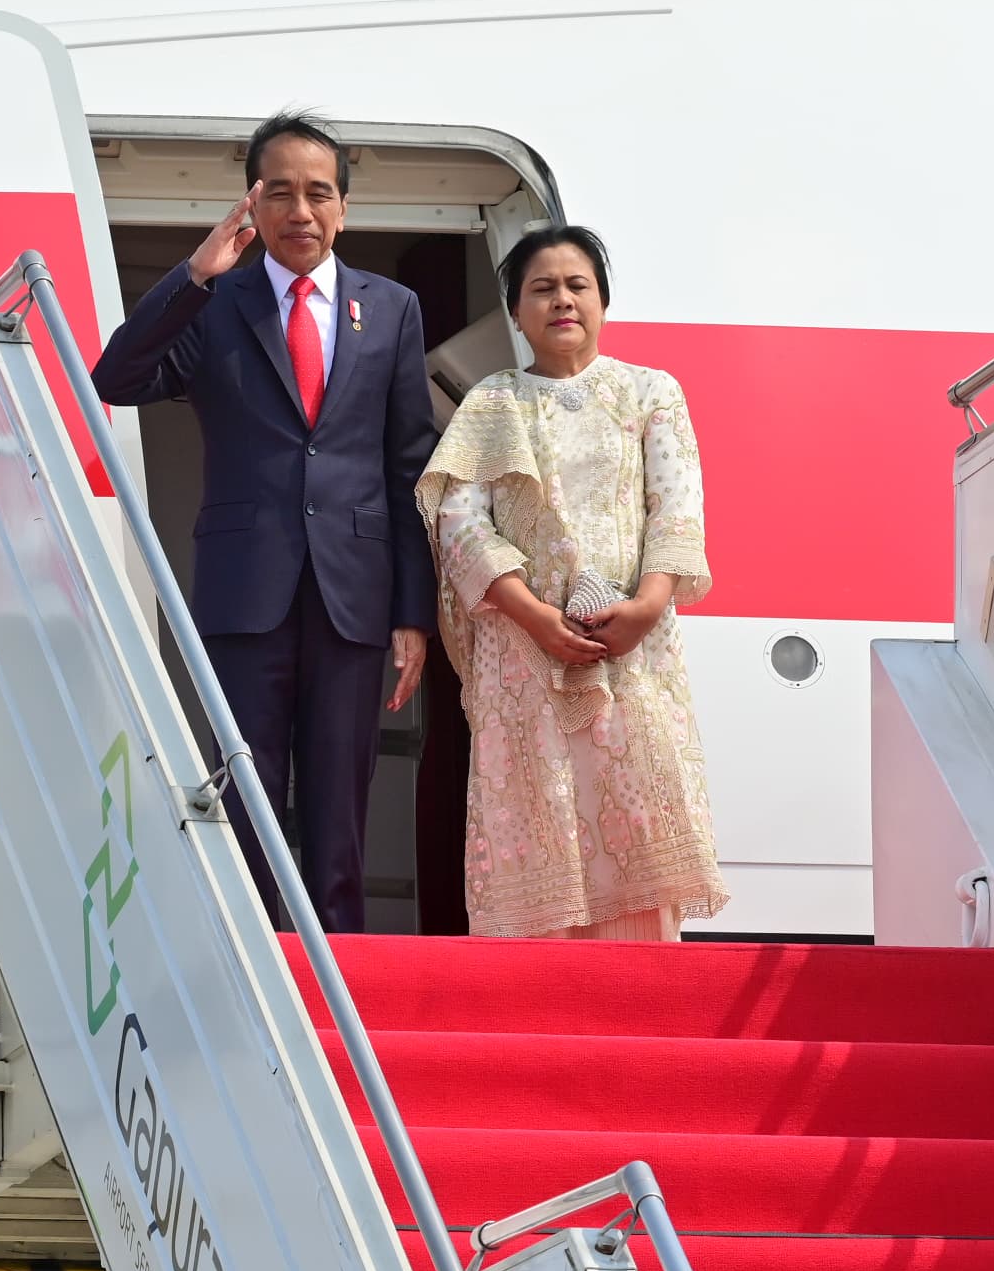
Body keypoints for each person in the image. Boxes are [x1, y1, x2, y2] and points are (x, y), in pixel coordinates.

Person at [91, 113, 433, 934]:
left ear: (343, 209)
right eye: (278, 192)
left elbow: (408, 466)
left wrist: (412, 613)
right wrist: (197, 272)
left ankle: (340, 990)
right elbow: (116, 375)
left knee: (337, 815)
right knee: (244, 799)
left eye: (318, 193)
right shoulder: (217, 302)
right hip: (247, 591)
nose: (300, 210)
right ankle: (249, 981)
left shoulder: (390, 308)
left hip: (354, 592)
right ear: (252, 204)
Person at [417, 225, 727, 941]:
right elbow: (460, 526)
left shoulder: (650, 391)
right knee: (537, 809)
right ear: (517, 312)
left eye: (576, 284)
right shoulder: (491, 404)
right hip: (522, 654)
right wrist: (532, 617)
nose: (561, 300)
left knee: (638, 808)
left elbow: (675, 507)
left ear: (603, 301)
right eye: (542, 288)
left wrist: (646, 606)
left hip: (633, 646)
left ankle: (643, 1012)